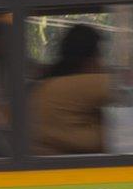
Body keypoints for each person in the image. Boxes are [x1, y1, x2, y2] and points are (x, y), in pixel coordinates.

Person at [29, 23, 111, 155]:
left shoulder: (50, 85)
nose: (102, 64)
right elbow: (122, 88)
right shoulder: (71, 86)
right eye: (100, 56)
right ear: (90, 59)